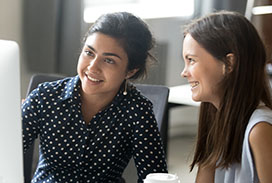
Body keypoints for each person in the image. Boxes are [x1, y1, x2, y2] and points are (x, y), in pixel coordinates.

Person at [22, 12, 168, 183]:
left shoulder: (138, 111)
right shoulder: (44, 97)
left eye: (109, 60)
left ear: (130, 71)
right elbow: (6, 151)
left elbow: (155, 177)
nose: (92, 67)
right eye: (89, 53)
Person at [180, 10, 272, 183]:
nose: (184, 72)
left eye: (192, 60)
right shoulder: (218, 121)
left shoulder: (260, 131)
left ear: (229, 63)